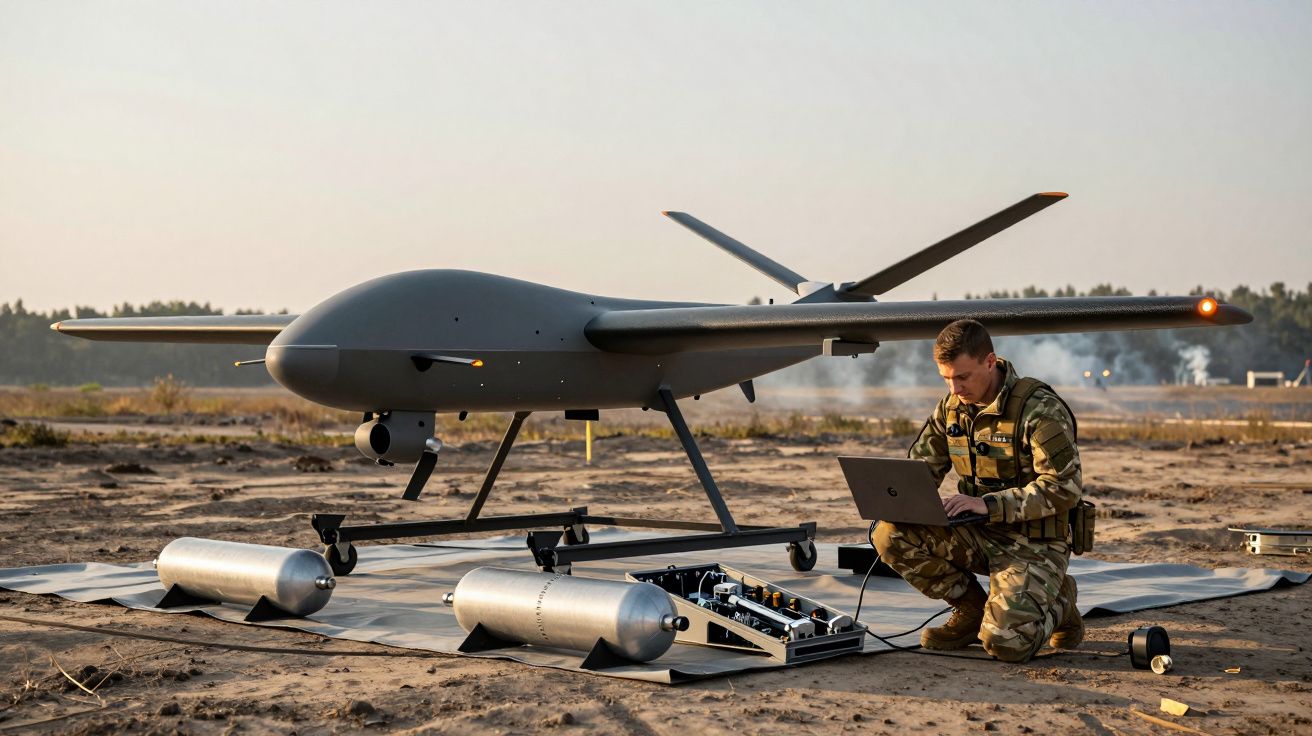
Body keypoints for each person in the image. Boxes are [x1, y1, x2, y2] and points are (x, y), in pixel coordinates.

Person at [871, 319, 1083, 663]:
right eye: (946, 378)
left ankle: (1061, 599)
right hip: (978, 533)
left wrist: (988, 505)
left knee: (1005, 644)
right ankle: (970, 611)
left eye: (963, 377)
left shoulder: (1039, 409)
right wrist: (901, 498)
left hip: (1034, 542)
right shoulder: (950, 408)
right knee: (889, 532)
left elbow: (1063, 488)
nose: (954, 388)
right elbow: (922, 469)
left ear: (990, 361)